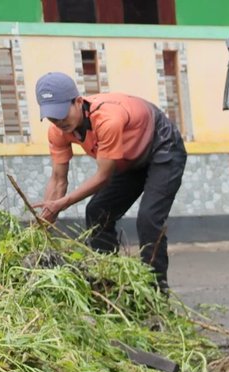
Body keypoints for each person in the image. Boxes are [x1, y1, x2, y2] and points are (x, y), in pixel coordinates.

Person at [34, 73, 187, 293]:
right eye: (51, 117)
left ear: (78, 102)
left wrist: (63, 203)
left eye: (61, 114)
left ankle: (155, 289)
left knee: (149, 218)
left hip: (162, 147)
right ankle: (109, 282)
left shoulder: (108, 119)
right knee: (97, 211)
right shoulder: (57, 131)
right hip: (128, 160)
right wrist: (44, 223)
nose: (59, 122)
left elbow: (103, 176)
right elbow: (58, 180)